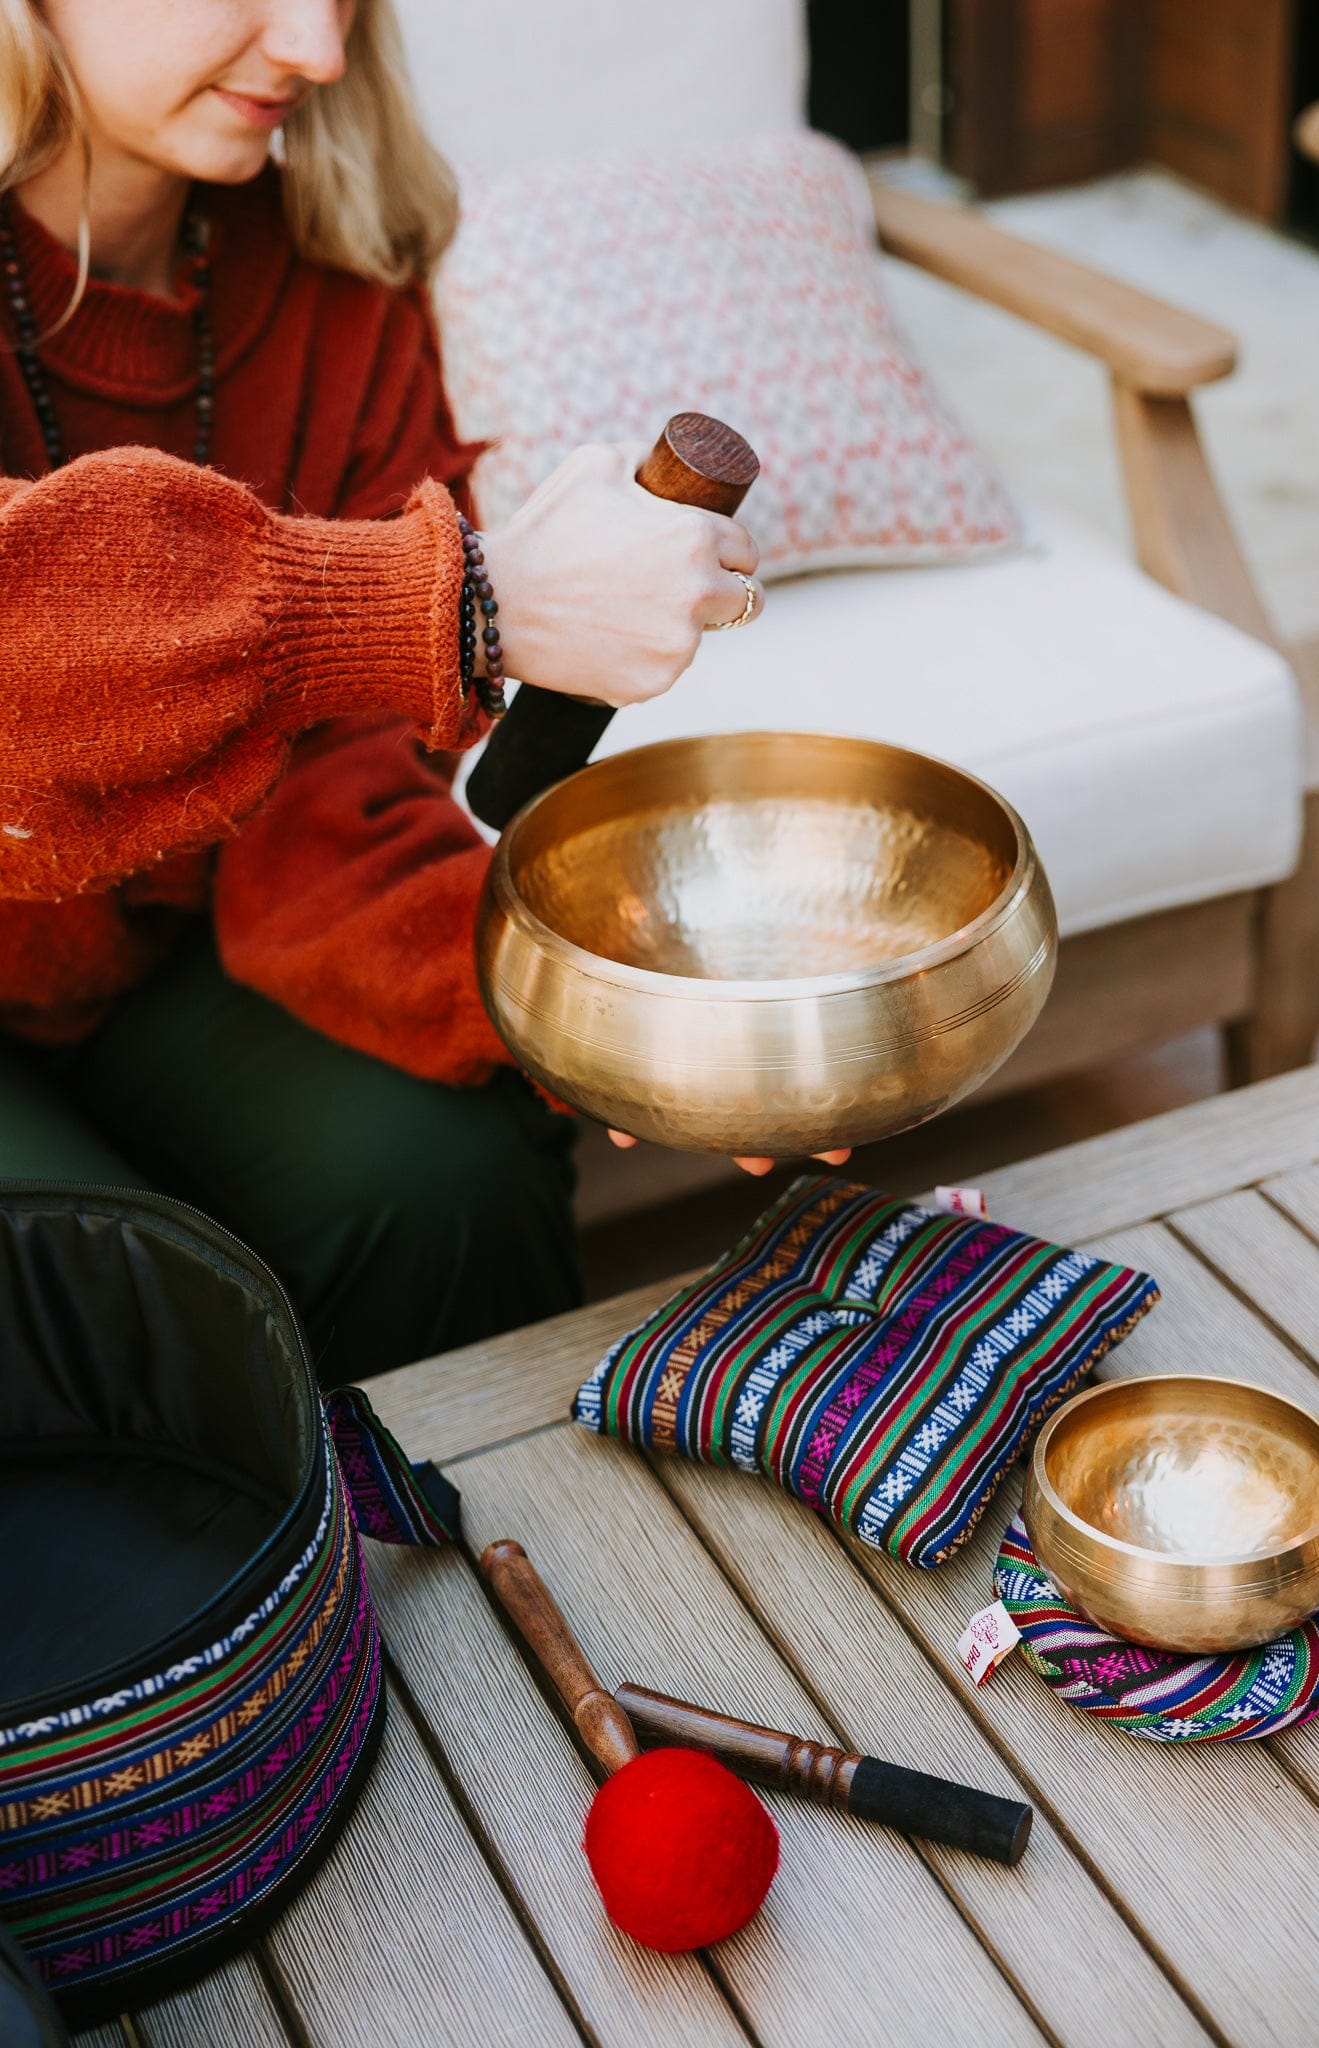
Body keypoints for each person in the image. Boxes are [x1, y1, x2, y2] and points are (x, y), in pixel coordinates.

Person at [0, 0, 847, 1385]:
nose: (317, 51)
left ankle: (452, 1581)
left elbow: (337, 775)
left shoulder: (325, 270)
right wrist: (459, 601)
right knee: (96, 1300)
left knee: (443, 1184)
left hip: (157, 952)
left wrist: (595, 1009)